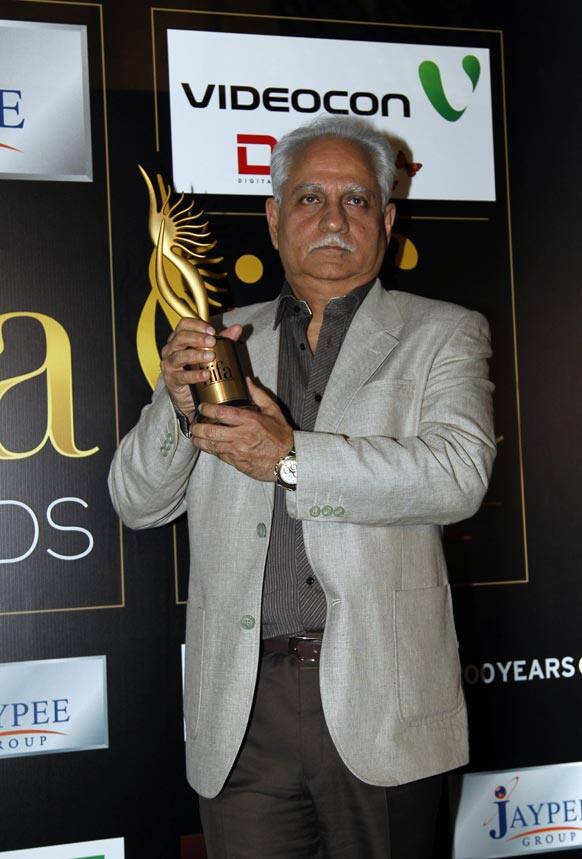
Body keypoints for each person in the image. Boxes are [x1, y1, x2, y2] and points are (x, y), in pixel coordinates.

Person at [108, 116, 495, 858]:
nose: (332, 218)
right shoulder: (226, 339)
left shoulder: (442, 332)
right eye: (309, 197)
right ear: (274, 217)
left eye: (356, 200)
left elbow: (458, 472)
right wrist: (176, 401)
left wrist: (293, 458)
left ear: (385, 220)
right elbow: (138, 499)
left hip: (384, 702)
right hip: (242, 709)